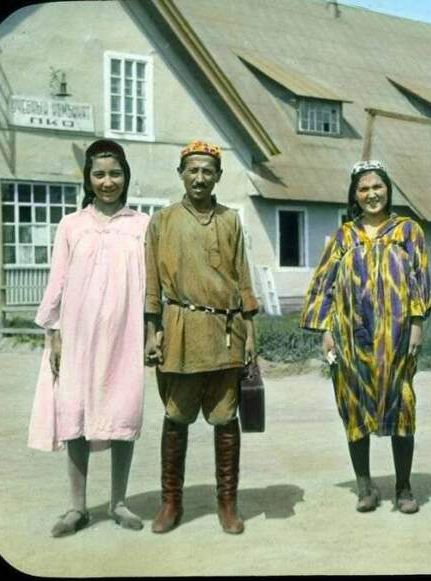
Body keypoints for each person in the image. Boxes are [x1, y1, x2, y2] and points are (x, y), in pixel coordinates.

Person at [28, 139, 150, 536]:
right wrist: (56, 334)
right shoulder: (71, 224)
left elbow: (153, 287)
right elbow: (57, 282)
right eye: (99, 174)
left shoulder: (142, 225)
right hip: (76, 336)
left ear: (125, 176)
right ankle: (76, 507)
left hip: (123, 337)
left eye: (115, 173)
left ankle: (119, 503)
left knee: (123, 411)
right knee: (74, 413)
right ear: (88, 178)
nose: (107, 181)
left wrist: (152, 331)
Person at [300, 160, 431, 514]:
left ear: (388, 190)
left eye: (377, 187)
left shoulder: (408, 231)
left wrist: (417, 323)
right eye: (363, 189)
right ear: (354, 196)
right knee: (353, 406)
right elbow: (324, 284)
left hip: (397, 335)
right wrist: (326, 331)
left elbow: (420, 277)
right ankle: (365, 486)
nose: (371, 194)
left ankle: (403, 488)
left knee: (402, 404)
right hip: (349, 337)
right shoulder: (344, 236)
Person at [144, 140, 258, 535]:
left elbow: (243, 278)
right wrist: (151, 331)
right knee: (176, 417)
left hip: (226, 333)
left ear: (218, 178)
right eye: (192, 169)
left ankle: (228, 504)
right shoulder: (162, 220)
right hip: (178, 330)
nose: (199, 177)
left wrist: (250, 334)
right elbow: (152, 284)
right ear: (181, 173)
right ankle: (170, 503)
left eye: (207, 171)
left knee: (226, 419)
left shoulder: (230, 220)